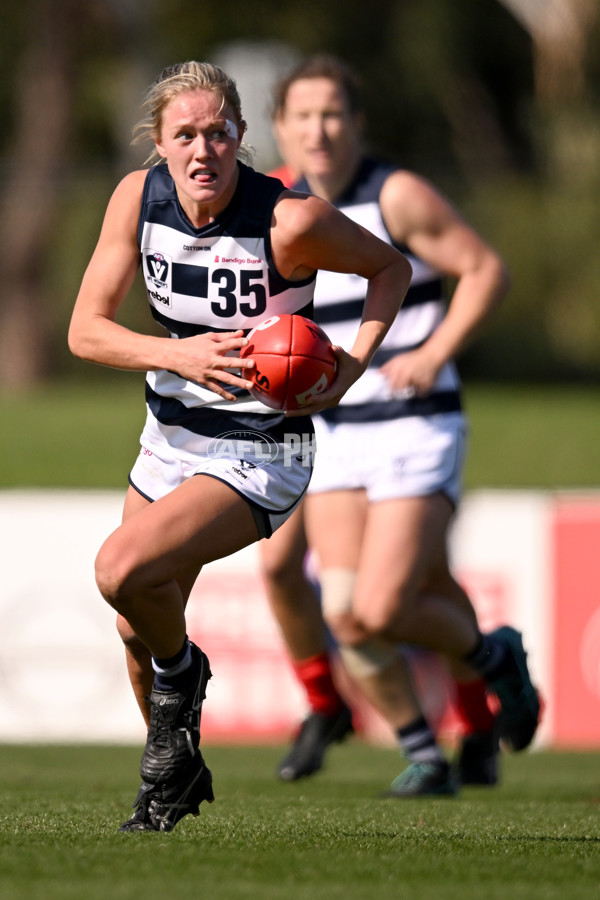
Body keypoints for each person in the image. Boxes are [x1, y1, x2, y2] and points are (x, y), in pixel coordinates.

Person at [68, 60, 412, 832]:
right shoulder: (138, 197)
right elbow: (83, 330)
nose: (202, 151)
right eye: (184, 135)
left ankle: (182, 678)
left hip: (263, 448)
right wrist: (178, 355)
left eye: (218, 133)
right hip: (172, 433)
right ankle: (172, 777)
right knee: (134, 619)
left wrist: (352, 366)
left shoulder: (288, 220)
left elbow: (392, 268)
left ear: (241, 139)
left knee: (119, 569)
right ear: (158, 144)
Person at [259, 55, 541, 795]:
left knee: (385, 606)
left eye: (333, 113)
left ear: (355, 123)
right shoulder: (278, 209)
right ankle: (426, 752)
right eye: (303, 115)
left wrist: (436, 349)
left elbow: (485, 270)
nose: (319, 129)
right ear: (282, 128)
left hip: (417, 427)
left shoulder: (397, 195)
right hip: (339, 433)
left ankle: (493, 656)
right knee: (349, 614)